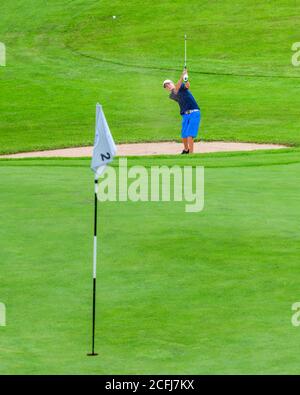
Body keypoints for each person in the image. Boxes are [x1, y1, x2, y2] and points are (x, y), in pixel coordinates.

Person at [163, 70, 201, 154]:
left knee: (190, 134)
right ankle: (186, 150)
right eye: (166, 86)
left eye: (169, 84)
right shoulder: (172, 95)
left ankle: (191, 153)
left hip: (194, 112)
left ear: (172, 83)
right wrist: (182, 76)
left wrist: (186, 79)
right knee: (184, 134)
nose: (168, 86)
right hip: (185, 115)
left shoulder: (181, 87)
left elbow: (187, 86)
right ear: (166, 89)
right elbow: (176, 89)